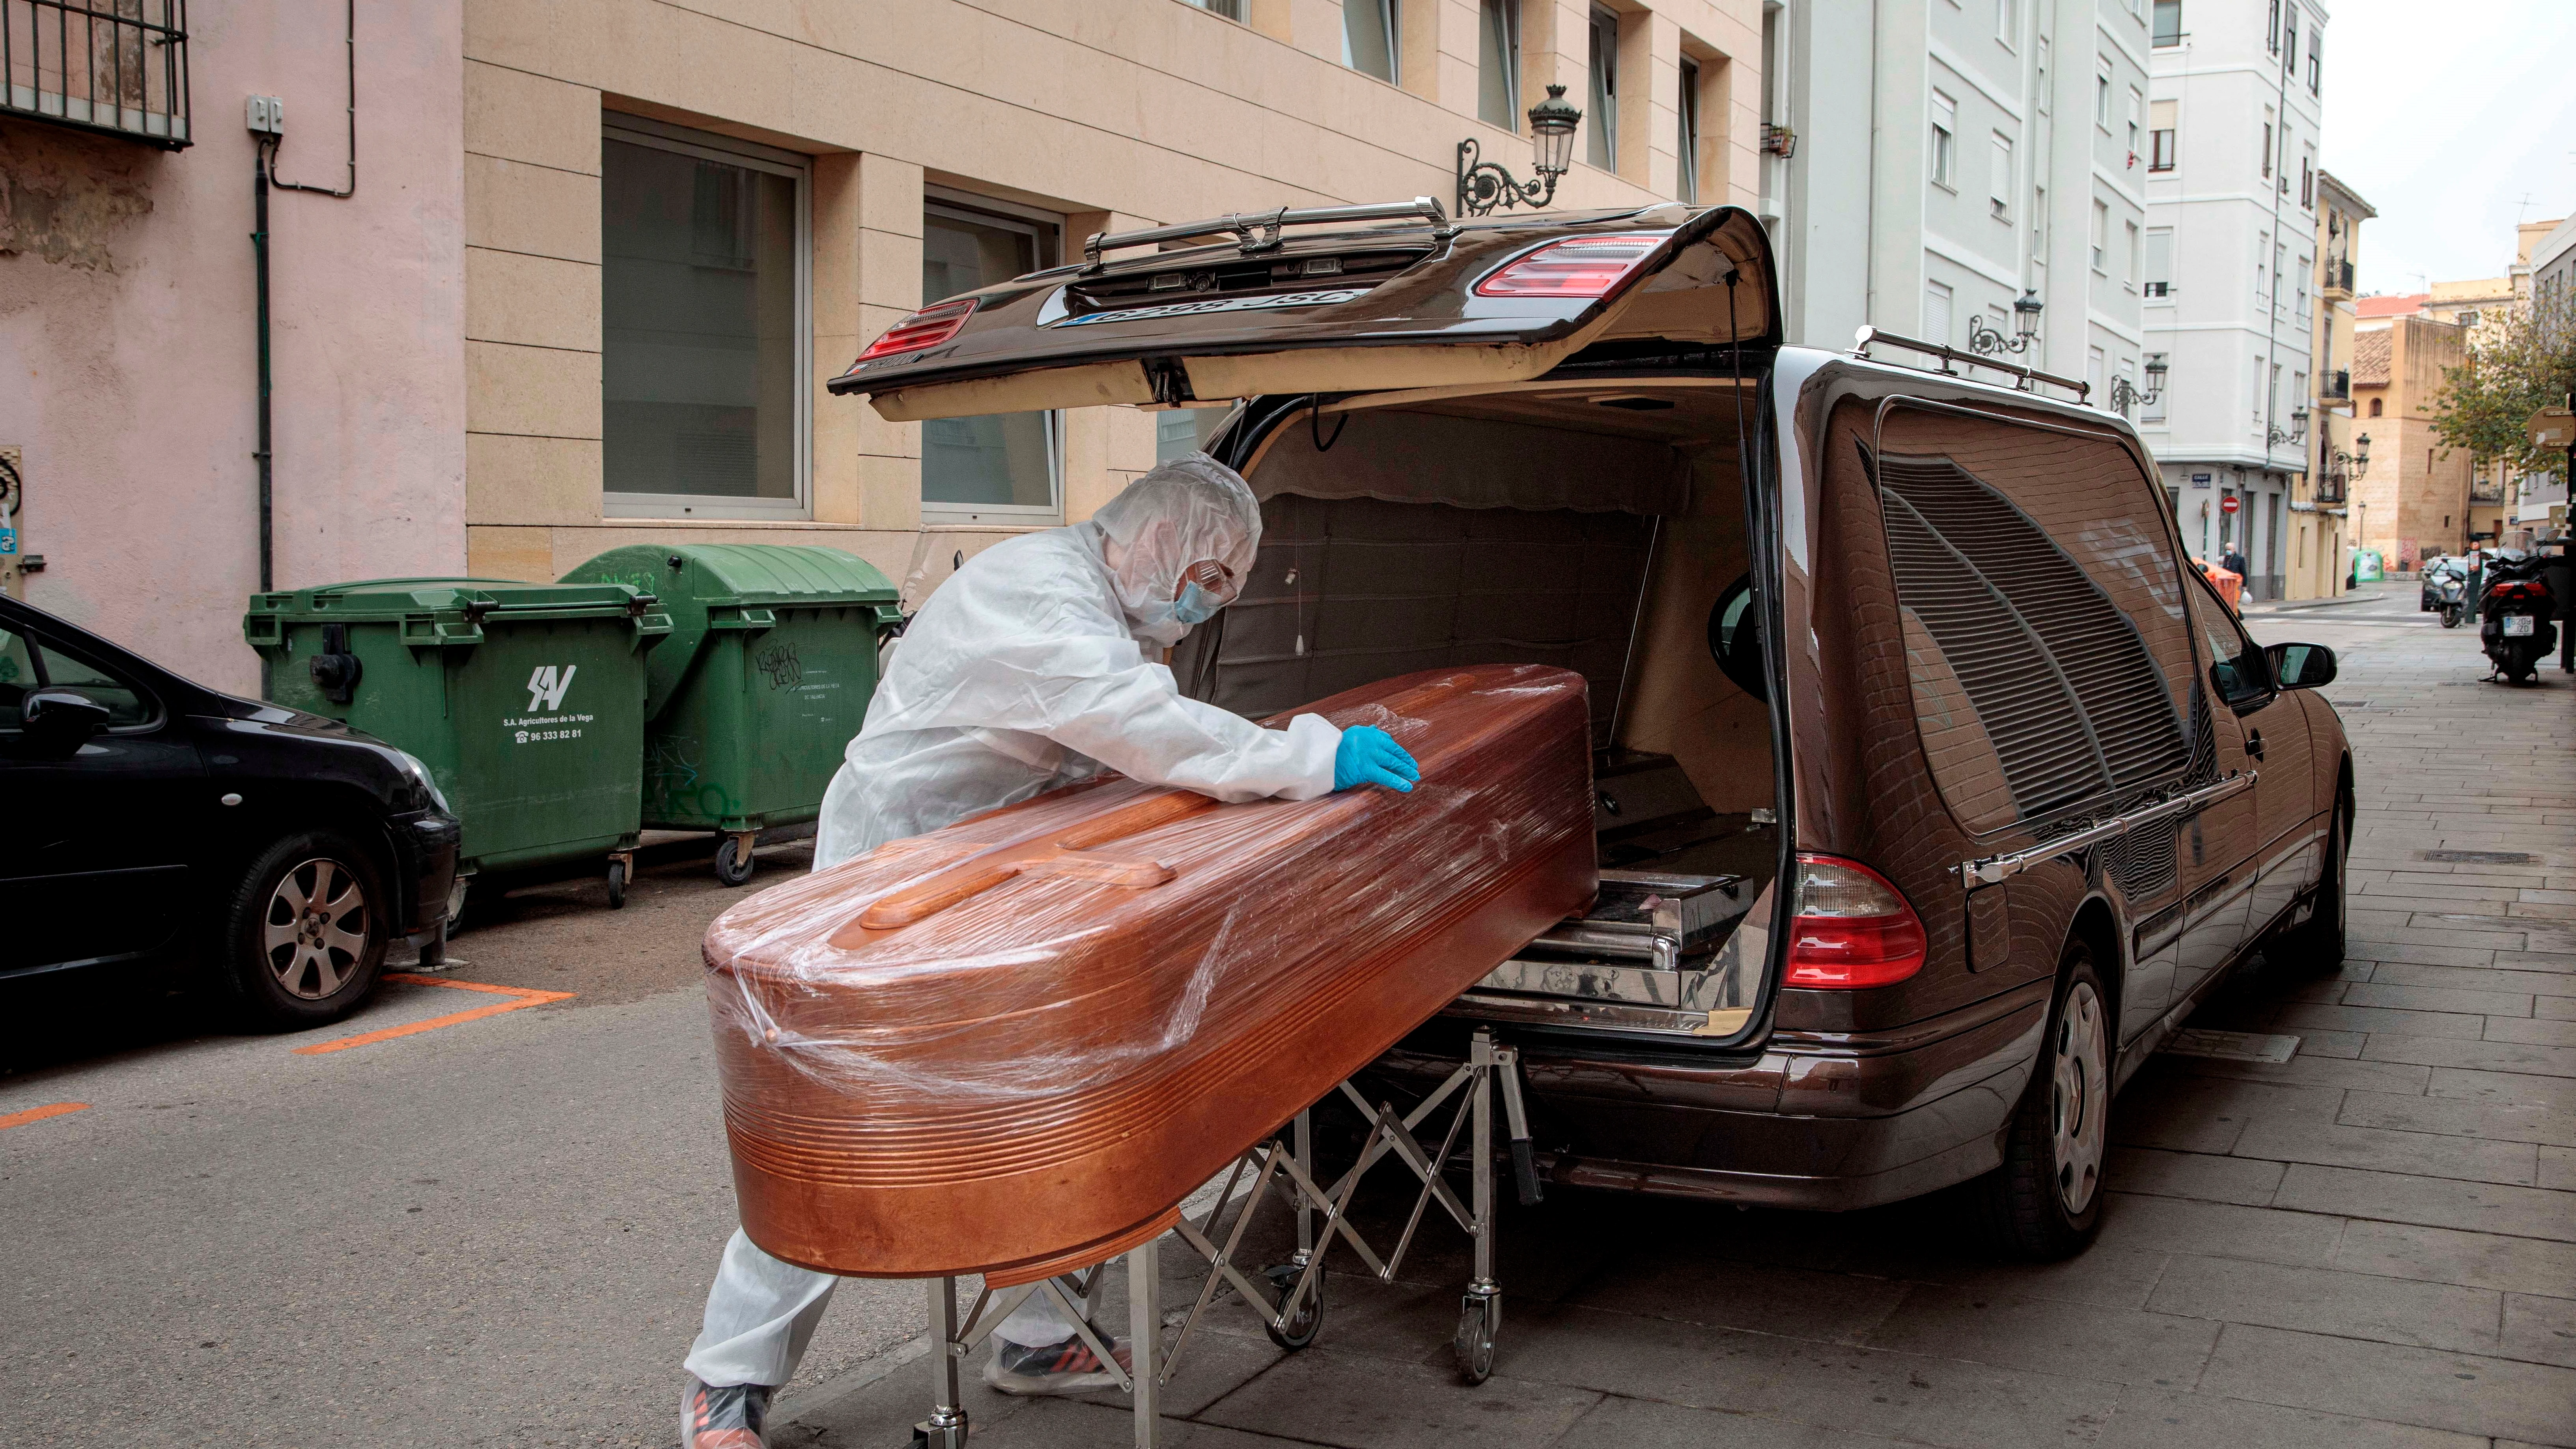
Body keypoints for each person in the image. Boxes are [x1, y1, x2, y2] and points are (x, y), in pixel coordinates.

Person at [679, 454, 1422, 1449]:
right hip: (896, 882)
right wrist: (1310, 756)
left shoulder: (1105, 610)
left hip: (1006, 881)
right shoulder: (1036, 591)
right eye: (1209, 581)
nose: (1206, 607)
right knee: (843, 1132)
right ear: (1161, 541)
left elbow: (1122, 743)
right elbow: (1139, 727)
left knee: (1044, 1107)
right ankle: (726, 1381)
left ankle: (1035, 1335)